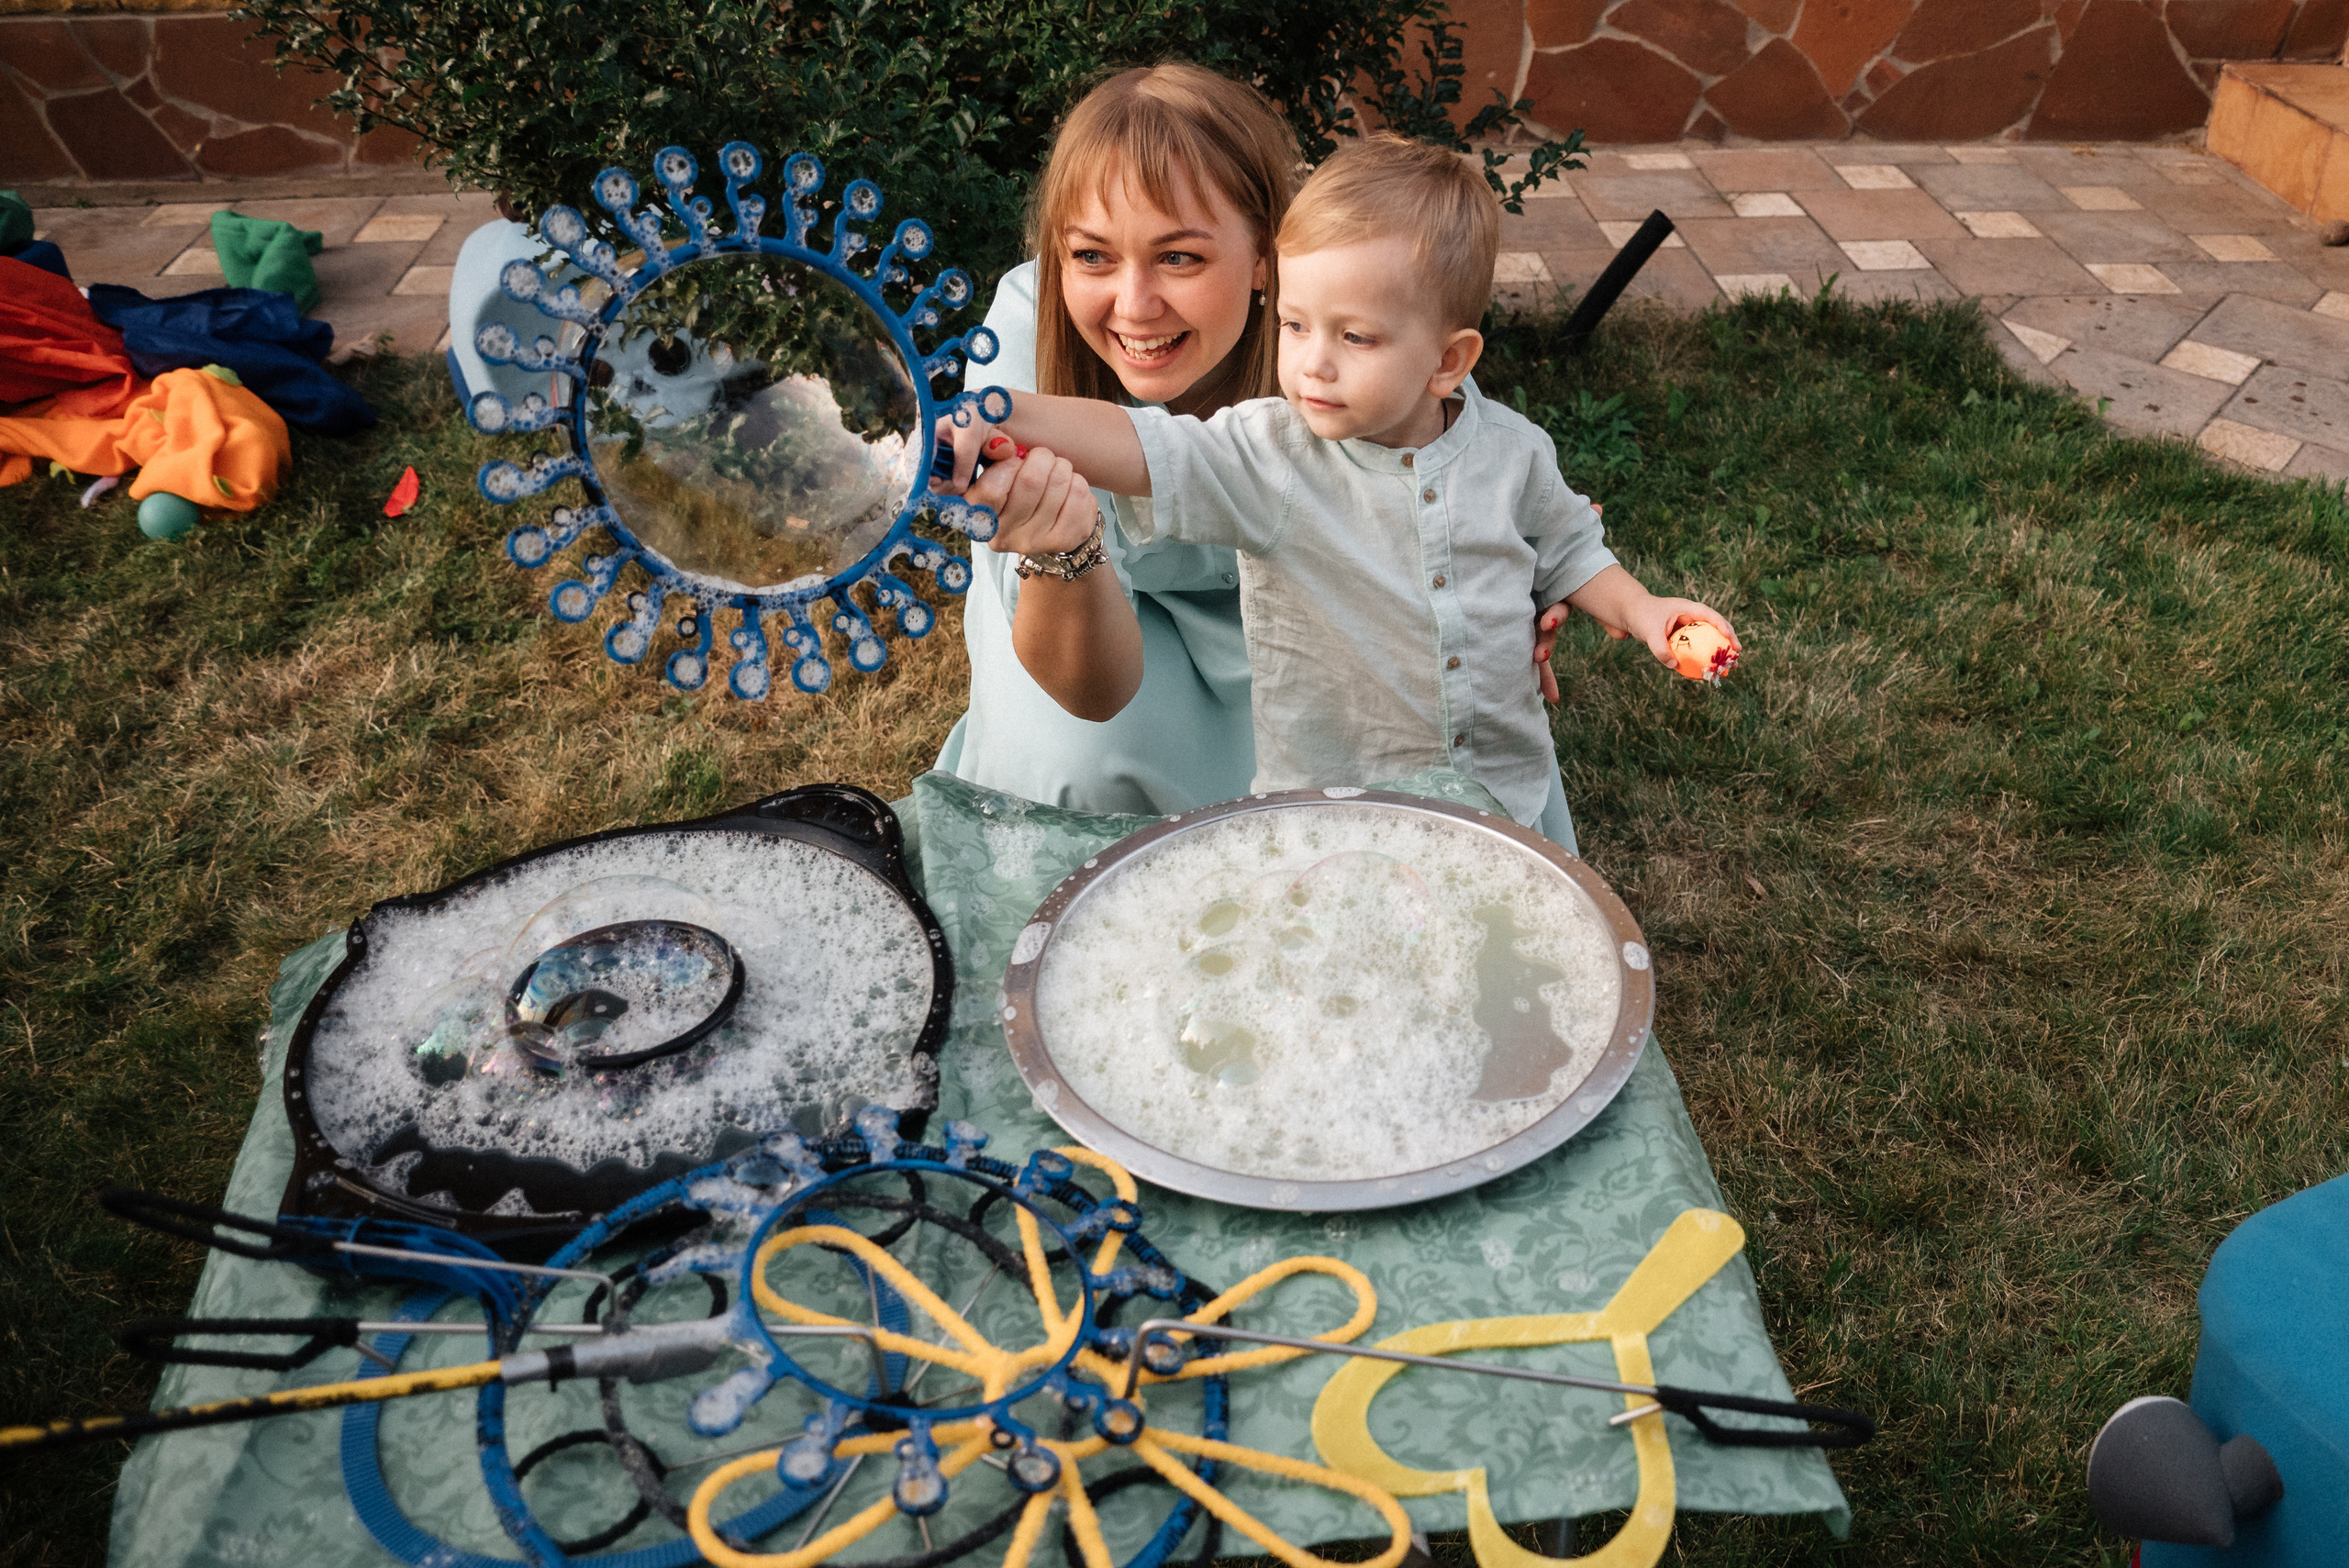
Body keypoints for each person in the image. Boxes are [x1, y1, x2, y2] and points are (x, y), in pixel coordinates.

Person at [939, 133, 1738, 849]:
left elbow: (1567, 546)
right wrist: (995, 413)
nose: (1314, 363)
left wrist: (1646, 612)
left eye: (1353, 337)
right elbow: (1138, 441)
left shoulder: (1510, 449)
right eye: (1294, 326)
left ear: (1449, 362)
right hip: (1333, 811)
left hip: (1497, 793)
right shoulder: (1274, 454)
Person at [930, 62, 1292, 817]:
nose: (1135, 307)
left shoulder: (1335, 317)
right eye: (1092, 255)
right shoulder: (1025, 339)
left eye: (1179, 257)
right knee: (1079, 766)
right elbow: (1089, 692)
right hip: (1098, 634)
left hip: (1301, 626)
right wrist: (1062, 548)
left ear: (1265, 254)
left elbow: (1450, 467)